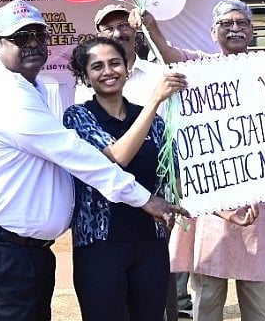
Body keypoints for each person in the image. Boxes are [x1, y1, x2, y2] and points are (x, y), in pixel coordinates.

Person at [0, 0, 183, 321]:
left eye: (39, 35)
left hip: (19, 251)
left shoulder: (33, 88)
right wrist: (145, 199)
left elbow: (172, 168)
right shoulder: (9, 95)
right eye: (21, 37)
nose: (33, 43)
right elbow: (77, 155)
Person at [135, 0, 265, 321]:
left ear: (252, 30)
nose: (235, 28)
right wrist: (151, 26)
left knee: (256, 303)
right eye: (226, 23)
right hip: (214, 205)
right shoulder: (201, 67)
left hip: (258, 204)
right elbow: (168, 54)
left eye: (242, 23)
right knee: (207, 298)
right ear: (213, 32)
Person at [63, 37, 190, 320]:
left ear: (127, 69)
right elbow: (116, 158)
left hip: (151, 243)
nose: (108, 71)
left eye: (115, 63)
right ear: (85, 76)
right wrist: (154, 101)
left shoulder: (152, 120)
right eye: (97, 66)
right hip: (100, 247)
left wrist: (225, 209)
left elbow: (176, 177)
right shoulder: (78, 117)